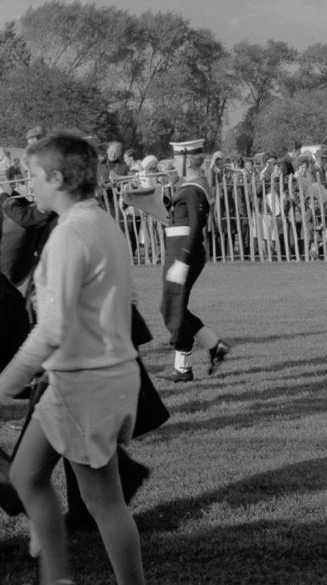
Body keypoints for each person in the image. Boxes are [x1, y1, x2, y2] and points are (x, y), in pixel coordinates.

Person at [0, 132, 146, 585]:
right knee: (26, 475)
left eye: (35, 176)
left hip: (86, 381)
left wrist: (5, 381)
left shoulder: (71, 233)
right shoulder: (100, 222)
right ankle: (57, 577)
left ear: (58, 178)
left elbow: (52, 328)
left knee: (103, 499)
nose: (30, 185)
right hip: (92, 377)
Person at [162, 139, 231, 382]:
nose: (172, 162)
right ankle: (214, 347)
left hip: (184, 252)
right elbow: (176, 220)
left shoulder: (192, 188)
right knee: (173, 308)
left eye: (175, 157)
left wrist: (182, 261)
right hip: (180, 250)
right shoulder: (189, 185)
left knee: (171, 309)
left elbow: (192, 227)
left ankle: (183, 368)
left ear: (184, 159)